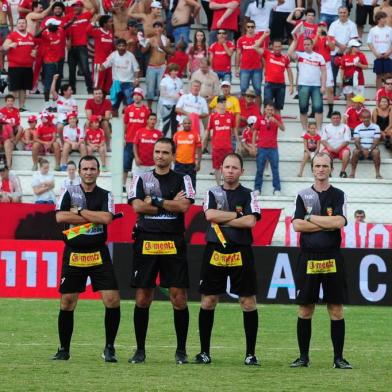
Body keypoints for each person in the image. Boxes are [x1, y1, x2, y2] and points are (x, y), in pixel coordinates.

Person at [127, 137, 195, 365]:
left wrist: (154, 200)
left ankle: (181, 351)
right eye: (157, 151)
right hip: (146, 241)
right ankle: (139, 350)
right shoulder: (141, 177)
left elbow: (184, 206)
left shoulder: (183, 178)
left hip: (173, 242)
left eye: (165, 152)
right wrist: (168, 203)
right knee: (143, 297)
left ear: (173, 155)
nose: (160, 156)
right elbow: (137, 206)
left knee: (178, 297)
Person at [194, 152, 261, 365]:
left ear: (242, 171)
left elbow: (251, 222)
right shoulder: (212, 192)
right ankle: (204, 352)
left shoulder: (250, 194)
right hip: (215, 251)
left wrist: (226, 218)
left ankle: (250, 354)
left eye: (234, 168)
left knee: (248, 302)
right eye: (227, 167)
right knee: (208, 301)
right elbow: (210, 216)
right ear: (221, 169)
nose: (230, 171)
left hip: (241, 251)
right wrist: (238, 216)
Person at [53, 155, 120, 362]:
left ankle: (109, 348)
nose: (89, 172)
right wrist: (94, 216)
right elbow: (60, 217)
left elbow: (107, 218)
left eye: (92, 168)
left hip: (98, 253)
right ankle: (64, 349)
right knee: (67, 302)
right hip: (74, 253)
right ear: (79, 171)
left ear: (98, 171)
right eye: (85, 169)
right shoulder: (68, 192)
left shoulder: (106, 194)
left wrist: (80, 211)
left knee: (112, 300)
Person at [290, 152, 351, 370]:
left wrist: (310, 217)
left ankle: (338, 358)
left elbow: (339, 221)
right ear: (312, 169)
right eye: (318, 165)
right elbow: (297, 225)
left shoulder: (339, 195)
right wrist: (326, 223)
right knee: (305, 308)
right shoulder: (303, 195)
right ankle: (303, 357)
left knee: (336, 308)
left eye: (325, 165)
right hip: (308, 257)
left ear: (332, 168)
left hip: (332, 256)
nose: (321, 169)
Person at [288, 37, 326, 132]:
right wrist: (295, 41)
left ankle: (319, 130)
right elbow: (289, 53)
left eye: (308, 44)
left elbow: (324, 72)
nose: (306, 46)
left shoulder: (319, 57)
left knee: (318, 108)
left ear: (312, 45)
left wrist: (323, 86)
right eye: (305, 44)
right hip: (303, 85)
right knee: (303, 108)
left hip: (316, 86)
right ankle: (304, 130)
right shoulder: (300, 55)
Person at [2, 18, 36, 111]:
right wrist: (10, 45)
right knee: (14, 89)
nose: (21, 24)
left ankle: (21, 107)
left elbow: (34, 49)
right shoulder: (12, 35)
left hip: (28, 67)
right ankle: (10, 108)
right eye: (19, 23)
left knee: (23, 89)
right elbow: (4, 47)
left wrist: (34, 53)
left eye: (23, 23)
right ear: (17, 25)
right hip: (15, 66)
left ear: (26, 24)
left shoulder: (30, 36)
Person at [101, 38, 140, 117]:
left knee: (129, 106)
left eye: (123, 46)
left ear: (126, 46)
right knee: (113, 106)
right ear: (116, 46)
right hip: (116, 84)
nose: (121, 47)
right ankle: (115, 124)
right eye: (120, 46)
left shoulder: (130, 56)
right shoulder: (113, 55)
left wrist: (136, 79)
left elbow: (137, 69)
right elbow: (105, 65)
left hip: (129, 84)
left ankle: (128, 123)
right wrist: (100, 67)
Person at [252, 103, 285, 196]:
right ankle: (257, 189)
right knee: (259, 169)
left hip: (273, 147)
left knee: (275, 169)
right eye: (268, 109)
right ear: (265, 110)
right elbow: (254, 132)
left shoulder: (277, 118)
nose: (269, 111)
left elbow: (283, 128)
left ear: (273, 111)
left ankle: (277, 189)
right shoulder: (259, 118)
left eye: (271, 110)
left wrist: (275, 121)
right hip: (261, 147)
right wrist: (253, 146)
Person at [203, 95, 236, 185]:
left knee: (228, 167)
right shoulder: (213, 116)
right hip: (217, 147)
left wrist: (238, 143)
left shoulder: (230, 115)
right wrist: (203, 143)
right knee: (217, 167)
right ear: (217, 104)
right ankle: (218, 186)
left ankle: (227, 185)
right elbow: (208, 130)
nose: (223, 104)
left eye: (224, 102)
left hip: (227, 147)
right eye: (221, 102)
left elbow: (234, 130)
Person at [66, 0, 96, 94]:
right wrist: (67, 40)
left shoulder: (86, 15)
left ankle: (90, 89)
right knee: (71, 71)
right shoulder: (68, 17)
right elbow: (64, 28)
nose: (76, 7)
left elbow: (95, 9)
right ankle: (72, 90)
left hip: (82, 46)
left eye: (78, 6)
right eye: (74, 6)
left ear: (82, 8)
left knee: (86, 69)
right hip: (72, 48)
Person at [258, 36, 294, 114]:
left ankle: (276, 126)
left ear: (282, 47)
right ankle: (265, 125)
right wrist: (264, 35)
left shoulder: (285, 58)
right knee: (267, 107)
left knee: (278, 108)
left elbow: (289, 71)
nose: (277, 48)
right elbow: (255, 47)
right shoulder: (267, 53)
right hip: (269, 84)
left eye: (279, 46)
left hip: (281, 85)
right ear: (272, 47)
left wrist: (291, 85)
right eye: (276, 46)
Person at [123, 88, 150, 186]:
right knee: (125, 165)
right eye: (135, 94)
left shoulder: (146, 110)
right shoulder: (128, 109)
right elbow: (125, 124)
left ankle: (142, 185)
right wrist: (123, 137)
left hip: (141, 142)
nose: (136, 96)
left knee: (142, 166)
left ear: (142, 97)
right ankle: (123, 185)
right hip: (129, 140)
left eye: (138, 95)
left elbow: (148, 126)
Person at [142, 20, 172, 109]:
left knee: (161, 89)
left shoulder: (167, 40)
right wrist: (145, 43)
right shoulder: (150, 39)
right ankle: (149, 108)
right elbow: (143, 51)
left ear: (163, 29)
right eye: (156, 27)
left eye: (159, 27)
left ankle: (160, 108)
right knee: (150, 90)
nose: (157, 28)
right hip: (152, 66)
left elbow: (168, 53)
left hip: (162, 66)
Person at [235, 21, 265, 107]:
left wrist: (265, 68)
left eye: (252, 27)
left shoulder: (259, 39)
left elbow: (263, 54)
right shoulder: (241, 40)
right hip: (244, 69)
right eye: (248, 27)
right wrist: (237, 68)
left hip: (257, 69)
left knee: (258, 91)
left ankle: (258, 112)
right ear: (246, 28)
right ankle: (244, 110)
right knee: (244, 91)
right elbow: (238, 54)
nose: (250, 28)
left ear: (255, 27)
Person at [349, 110, 383, 179]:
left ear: (370, 117)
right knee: (355, 151)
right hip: (361, 150)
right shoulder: (357, 128)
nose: (366, 119)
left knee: (376, 152)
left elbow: (376, 141)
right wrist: (363, 150)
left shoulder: (376, 127)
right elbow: (356, 142)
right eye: (364, 117)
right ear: (361, 118)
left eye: (368, 117)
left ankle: (378, 174)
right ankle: (352, 173)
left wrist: (369, 150)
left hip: (372, 150)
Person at [87, 15, 115, 95]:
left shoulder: (110, 33)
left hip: (109, 63)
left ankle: (105, 98)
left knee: (108, 82)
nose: (112, 23)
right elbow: (87, 31)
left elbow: (113, 48)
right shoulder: (97, 31)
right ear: (105, 23)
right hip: (99, 62)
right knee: (97, 82)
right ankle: (96, 98)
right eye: (110, 22)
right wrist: (94, 21)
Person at [173, 116, 202, 189]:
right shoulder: (177, 135)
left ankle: (191, 200)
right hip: (179, 164)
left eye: (189, 123)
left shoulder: (195, 134)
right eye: (185, 123)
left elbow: (199, 149)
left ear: (191, 124)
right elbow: (173, 148)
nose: (187, 125)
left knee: (191, 186)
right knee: (177, 185)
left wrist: (198, 163)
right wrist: (173, 160)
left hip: (191, 165)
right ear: (182, 124)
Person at [320, 111, 351, 178]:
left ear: (340, 119)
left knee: (346, 152)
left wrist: (338, 148)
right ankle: (328, 172)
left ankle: (343, 172)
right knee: (324, 153)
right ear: (331, 119)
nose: (335, 119)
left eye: (337, 118)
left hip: (342, 149)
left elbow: (347, 141)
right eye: (333, 118)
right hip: (330, 148)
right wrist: (329, 147)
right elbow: (323, 140)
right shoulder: (326, 127)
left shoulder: (345, 127)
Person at [337, 39, 368, 107]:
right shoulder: (345, 56)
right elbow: (342, 69)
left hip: (359, 81)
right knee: (349, 98)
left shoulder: (361, 55)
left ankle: (358, 116)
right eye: (356, 47)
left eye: (358, 46)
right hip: (348, 80)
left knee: (359, 100)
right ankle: (348, 115)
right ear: (351, 47)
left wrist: (360, 65)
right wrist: (341, 80)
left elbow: (366, 66)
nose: (358, 48)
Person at [367, 11, 392, 90]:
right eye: (383, 18)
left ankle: (388, 93)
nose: (385, 20)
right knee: (378, 76)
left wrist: (389, 52)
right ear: (378, 19)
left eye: (385, 18)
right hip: (378, 56)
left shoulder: (390, 29)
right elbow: (369, 43)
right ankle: (379, 94)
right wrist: (375, 53)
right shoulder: (373, 30)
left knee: (389, 75)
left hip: (388, 56)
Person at [159, 63, 183, 137]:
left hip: (176, 106)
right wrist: (173, 96)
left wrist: (181, 95)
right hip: (166, 105)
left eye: (177, 71)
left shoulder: (179, 80)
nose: (176, 72)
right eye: (174, 71)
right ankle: (162, 140)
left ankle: (173, 142)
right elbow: (162, 93)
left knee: (175, 125)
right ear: (170, 71)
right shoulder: (164, 80)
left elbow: (181, 91)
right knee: (166, 124)